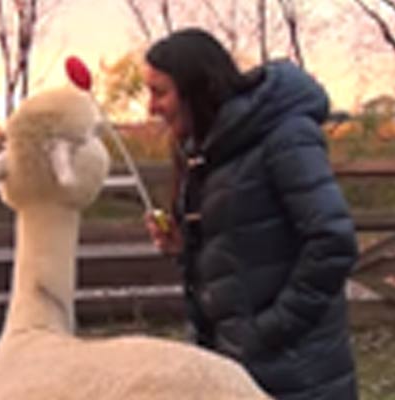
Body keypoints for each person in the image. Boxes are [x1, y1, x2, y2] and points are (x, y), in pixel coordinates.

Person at [143, 27, 359, 400]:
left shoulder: (285, 136)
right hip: (232, 374)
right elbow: (236, 257)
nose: (151, 107)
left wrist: (266, 332)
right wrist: (185, 248)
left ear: (197, 88)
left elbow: (333, 241)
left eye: (159, 92)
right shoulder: (203, 153)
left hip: (297, 376)